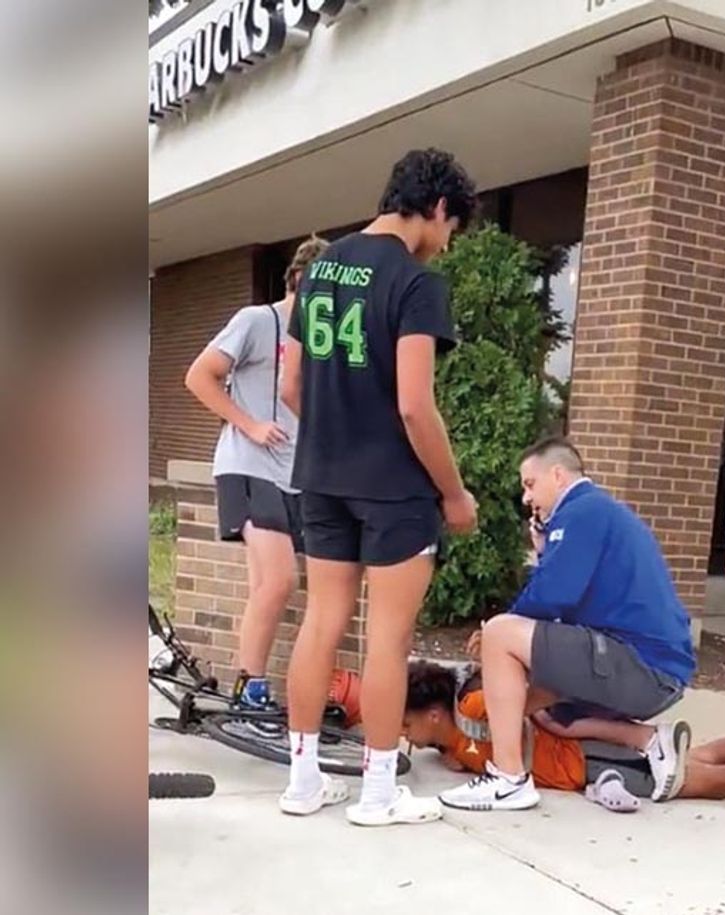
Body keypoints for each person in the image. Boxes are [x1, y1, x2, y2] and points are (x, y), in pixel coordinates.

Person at [277, 149, 479, 826]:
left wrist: (337, 434)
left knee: (321, 620)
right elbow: (416, 406)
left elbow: (291, 387)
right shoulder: (416, 284)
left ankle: (303, 780)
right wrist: (454, 494)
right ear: (440, 207)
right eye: (452, 229)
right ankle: (378, 793)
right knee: (386, 639)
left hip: (320, 477)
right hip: (394, 488)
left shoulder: (320, 268)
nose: (446, 245)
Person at [438, 437, 697, 811]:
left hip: (642, 668)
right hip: (650, 669)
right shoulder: (600, 513)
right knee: (546, 702)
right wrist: (548, 553)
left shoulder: (582, 511)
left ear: (558, 475)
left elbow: (552, 595)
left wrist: (503, 625)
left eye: (530, 484)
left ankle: (508, 779)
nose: (526, 498)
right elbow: (567, 605)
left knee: (500, 633)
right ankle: (649, 741)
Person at [184, 235, 329, 722]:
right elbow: (199, 376)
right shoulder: (256, 321)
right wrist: (249, 424)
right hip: (247, 464)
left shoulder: (319, 337)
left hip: (294, 474)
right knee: (281, 580)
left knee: (268, 583)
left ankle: (251, 683)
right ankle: (250, 686)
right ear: (298, 280)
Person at [406, 661, 725, 804]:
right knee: (698, 759)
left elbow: (531, 690)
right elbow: (468, 758)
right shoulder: (450, 748)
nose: (404, 735)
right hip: (584, 765)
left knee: (716, 783)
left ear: (435, 713)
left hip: (587, 759)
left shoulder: (473, 709)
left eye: (407, 723)